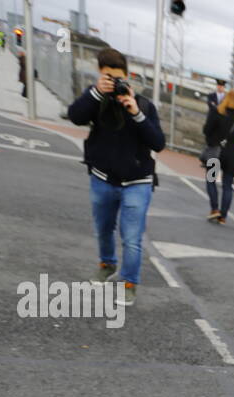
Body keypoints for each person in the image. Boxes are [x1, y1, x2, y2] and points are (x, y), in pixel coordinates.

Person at [67, 47, 166, 309]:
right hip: (102, 178)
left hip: (137, 182)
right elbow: (75, 116)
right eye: (107, 78)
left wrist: (135, 113)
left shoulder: (143, 105)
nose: (113, 83)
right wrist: (96, 92)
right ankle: (107, 264)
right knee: (103, 229)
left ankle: (129, 283)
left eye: (117, 78)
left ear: (127, 76)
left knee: (132, 238)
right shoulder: (95, 99)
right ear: (100, 76)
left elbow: (158, 143)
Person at [202, 89, 234, 224]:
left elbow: (206, 130)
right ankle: (223, 216)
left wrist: (212, 141)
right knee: (227, 186)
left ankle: (214, 208)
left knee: (211, 180)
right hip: (232, 157)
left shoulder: (217, 113)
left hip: (216, 153)